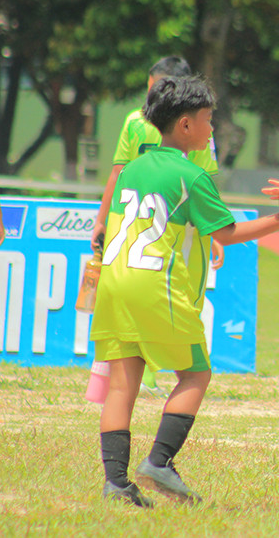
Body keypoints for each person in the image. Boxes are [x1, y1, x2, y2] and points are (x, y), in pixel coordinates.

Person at [91, 76, 279, 507]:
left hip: (114, 285)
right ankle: (159, 462)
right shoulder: (191, 175)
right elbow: (227, 233)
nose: (212, 129)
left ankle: (116, 484)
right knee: (196, 374)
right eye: (208, 120)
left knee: (121, 385)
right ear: (185, 125)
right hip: (156, 288)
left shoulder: (132, 169)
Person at [92, 56, 222, 394]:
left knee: (139, 298)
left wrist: (103, 219)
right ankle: (152, 376)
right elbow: (203, 178)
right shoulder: (191, 126)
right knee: (178, 293)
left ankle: (134, 378)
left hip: (139, 218)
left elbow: (119, 172)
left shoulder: (136, 121)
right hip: (177, 222)